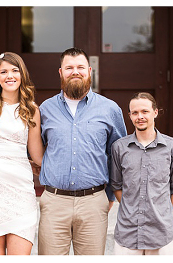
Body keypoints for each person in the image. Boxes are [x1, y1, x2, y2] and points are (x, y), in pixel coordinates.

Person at [37, 47, 127, 255]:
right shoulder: (45, 109)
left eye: (80, 67)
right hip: (54, 202)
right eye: (69, 68)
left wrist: (110, 195)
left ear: (89, 71)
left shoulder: (110, 109)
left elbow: (119, 157)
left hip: (93, 202)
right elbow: (34, 151)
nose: (75, 72)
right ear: (61, 72)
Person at [0, 52, 44, 255]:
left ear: (22, 75)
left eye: (15, 70)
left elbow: (37, 154)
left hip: (21, 187)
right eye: (4, 71)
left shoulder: (32, 110)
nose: (9, 75)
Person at [110, 92, 173, 255]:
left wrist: (162, 212)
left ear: (155, 112)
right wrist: (131, 209)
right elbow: (116, 185)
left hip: (160, 232)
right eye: (135, 113)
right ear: (129, 116)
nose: (140, 116)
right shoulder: (119, 147)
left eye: (145, 111)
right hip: (127, 232)